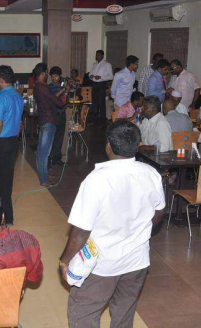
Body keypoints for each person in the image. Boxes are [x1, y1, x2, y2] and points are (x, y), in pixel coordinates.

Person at [60, 121, 165, 328]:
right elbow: (159, 212)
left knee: (83, 312)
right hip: (137, 261)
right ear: (137, 145)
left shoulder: (96, 180)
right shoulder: (151, 173)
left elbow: (80, 232)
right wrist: (136, 228)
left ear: (108, 145)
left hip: (102, 264)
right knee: (124, 312)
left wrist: (65, 261)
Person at [0, 65, 23, 226]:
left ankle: (6, 218)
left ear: (1, 79)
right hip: (13, 141)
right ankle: (7, 216)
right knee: (7, 178)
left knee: (1, 181)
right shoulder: (18, 96)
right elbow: (19, 121)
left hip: (1, 142)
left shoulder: (1, 97)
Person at [33, 63, 68, 186]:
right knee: (44, 153)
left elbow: (51, 99)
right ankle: (43, 179)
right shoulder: (43, 87)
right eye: (47, 73)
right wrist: (66, 93)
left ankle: (44, 175)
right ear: (43, 74)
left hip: (44, 120)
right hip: (49, 121)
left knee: (42, 152)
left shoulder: (37, 86)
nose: (48, 76)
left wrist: (61, 92)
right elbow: (59, 103)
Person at [48, 66, 67, 167]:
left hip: (62, 114)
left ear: (60, 76)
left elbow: (65, 101)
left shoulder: (62, 86)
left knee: (59, 137)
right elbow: (53, 99)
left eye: (56, 76)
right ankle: (49, 159)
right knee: (51, 137)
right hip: (54, 115)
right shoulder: (50, 87)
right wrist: (63, 91)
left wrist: (67, 91)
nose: (54, 78)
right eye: (52, 76)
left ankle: (57, 158)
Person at [89, 50, 113, 123]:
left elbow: (111, 76)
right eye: (96, 55)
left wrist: (101, 77)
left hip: (101, 84)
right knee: (94, 102)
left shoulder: (107, 64)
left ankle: (102, 121)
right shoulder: (94, 64)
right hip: (94, 84)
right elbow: (90, 73)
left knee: (101, 103)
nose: (97, 56)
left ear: (102, 56)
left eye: (98, 55)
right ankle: (94, 120)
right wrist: (91, 76)